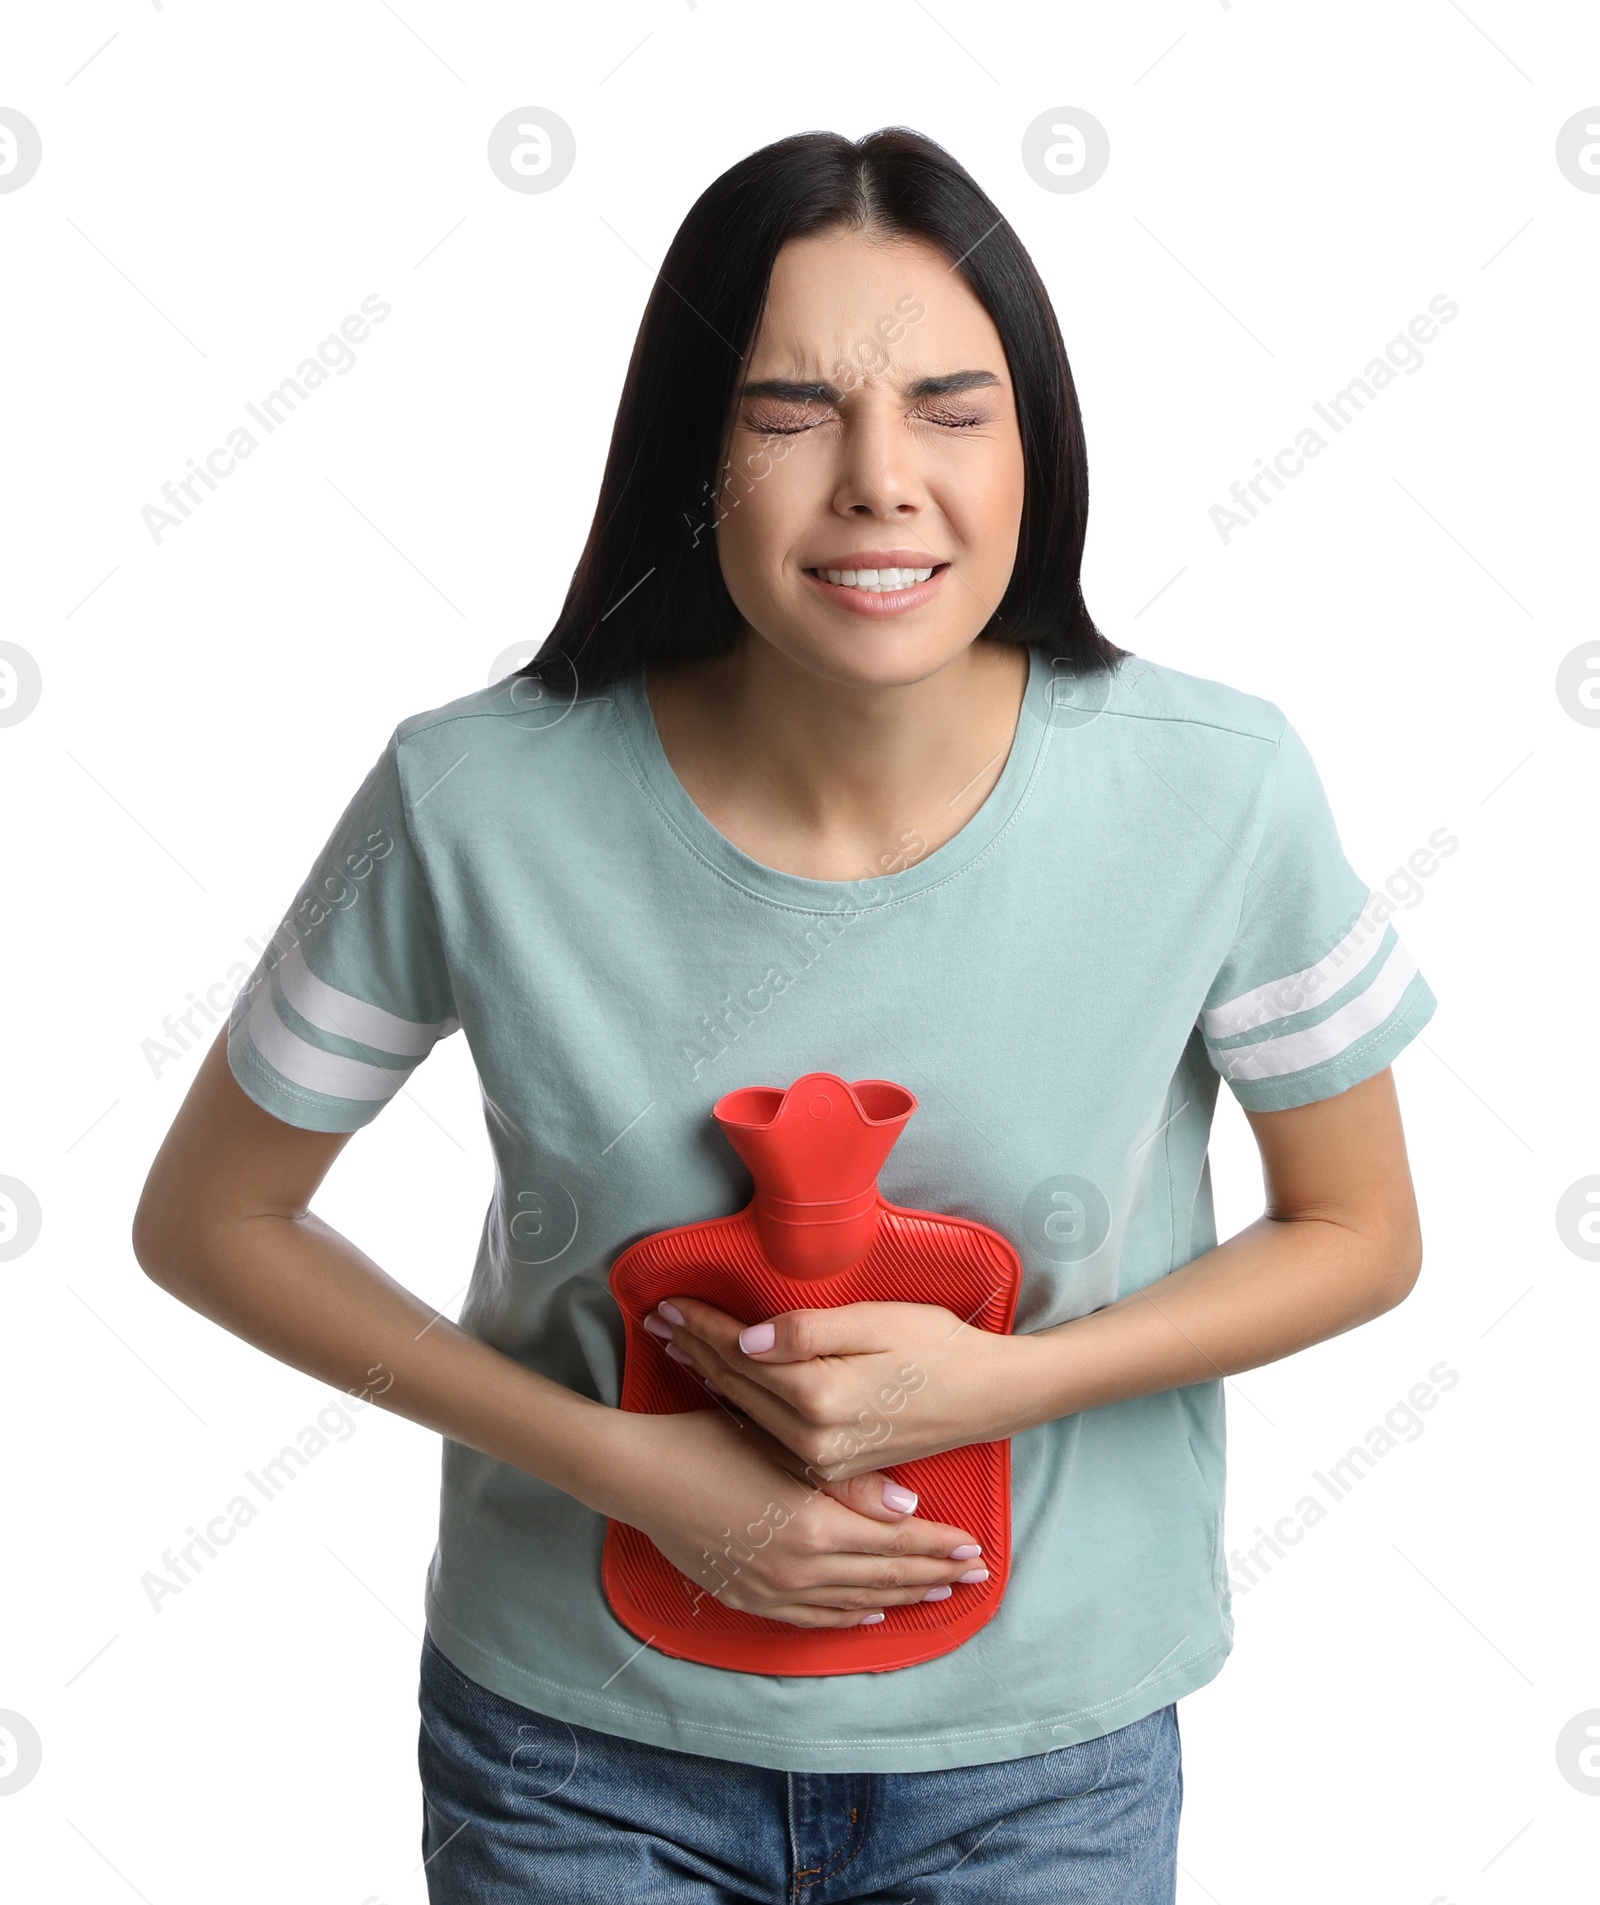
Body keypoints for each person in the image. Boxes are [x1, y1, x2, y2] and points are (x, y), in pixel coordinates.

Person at [132, 127, 1435, 1902]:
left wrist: (1017, 1377)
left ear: (1037, 447)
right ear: (690, 449)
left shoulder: (1217, 788)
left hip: (1040, 1761)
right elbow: (212, 1218)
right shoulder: (474, 799)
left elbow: (1361, 1232)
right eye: (790, 410)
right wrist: (620, 1462)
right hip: (570, 1757)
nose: (881, 481)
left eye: (955, 409)